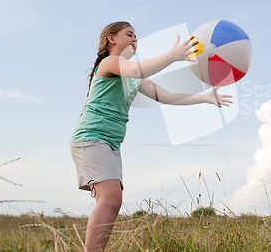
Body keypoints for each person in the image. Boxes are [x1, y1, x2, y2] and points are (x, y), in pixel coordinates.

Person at [70, 21, 232, 251]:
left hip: (110, 144)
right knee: (110, 199)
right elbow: (138, 69)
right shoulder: (110, 62)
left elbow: (167, 97)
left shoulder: (134, 79)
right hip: (92, 138)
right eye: (129, 34)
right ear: (111, 39)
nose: (135, 39)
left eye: (136, 35)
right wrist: (173, 56)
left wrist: (204, 97)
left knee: (112, 202)